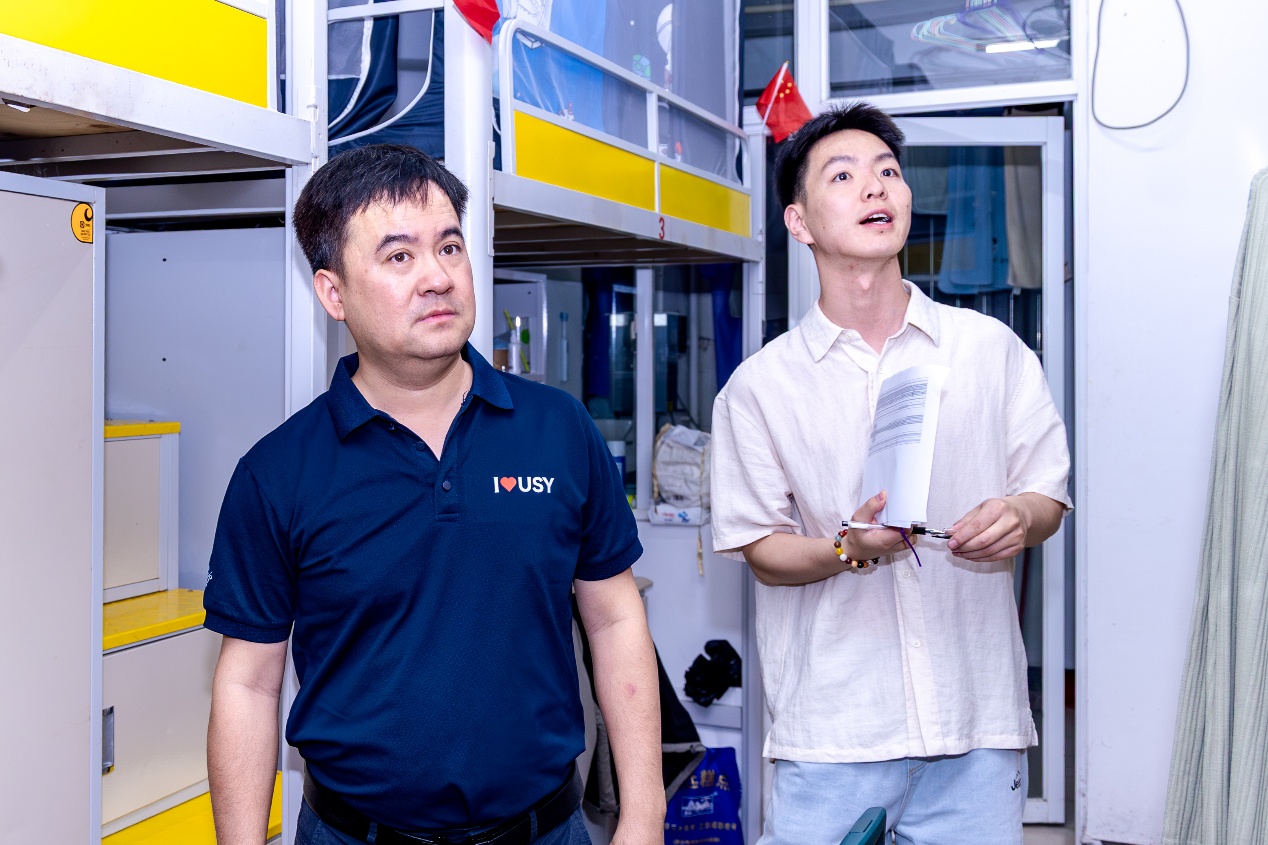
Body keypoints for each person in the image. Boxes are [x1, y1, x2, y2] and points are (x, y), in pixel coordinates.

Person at [203, 144, 665, 845]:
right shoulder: (278, 472)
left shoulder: (559, 430)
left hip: (545, 830)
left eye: (449, 247)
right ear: (333, 293)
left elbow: (615, 618)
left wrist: (644, 814)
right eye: (399, 256)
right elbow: (249, 682)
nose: (438, 277)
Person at [709, 103, 1072, 845]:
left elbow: (1047, 494)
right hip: (834, 732)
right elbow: (761, 549)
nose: (876, 187)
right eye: (843, 176)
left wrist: (1019, 516)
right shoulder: (760, 387)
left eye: (889, 172)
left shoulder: (988, 350)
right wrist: (849, 547)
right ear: (799, 222)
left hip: (974, 724)